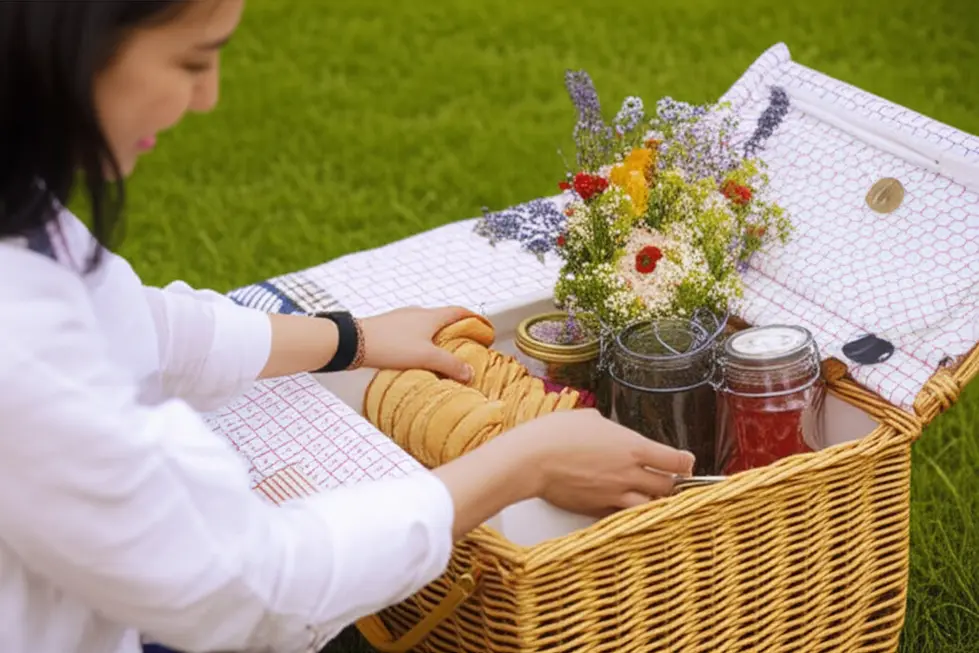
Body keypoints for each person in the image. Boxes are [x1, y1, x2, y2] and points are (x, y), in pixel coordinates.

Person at [0, 2, 696, 652]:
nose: (208, 96)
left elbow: (133, 320)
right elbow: (246, 584)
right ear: (71, 47)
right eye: (190, 61)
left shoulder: (24, 213)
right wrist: (525, 461)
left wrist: (347, 338)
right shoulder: (18, 340)